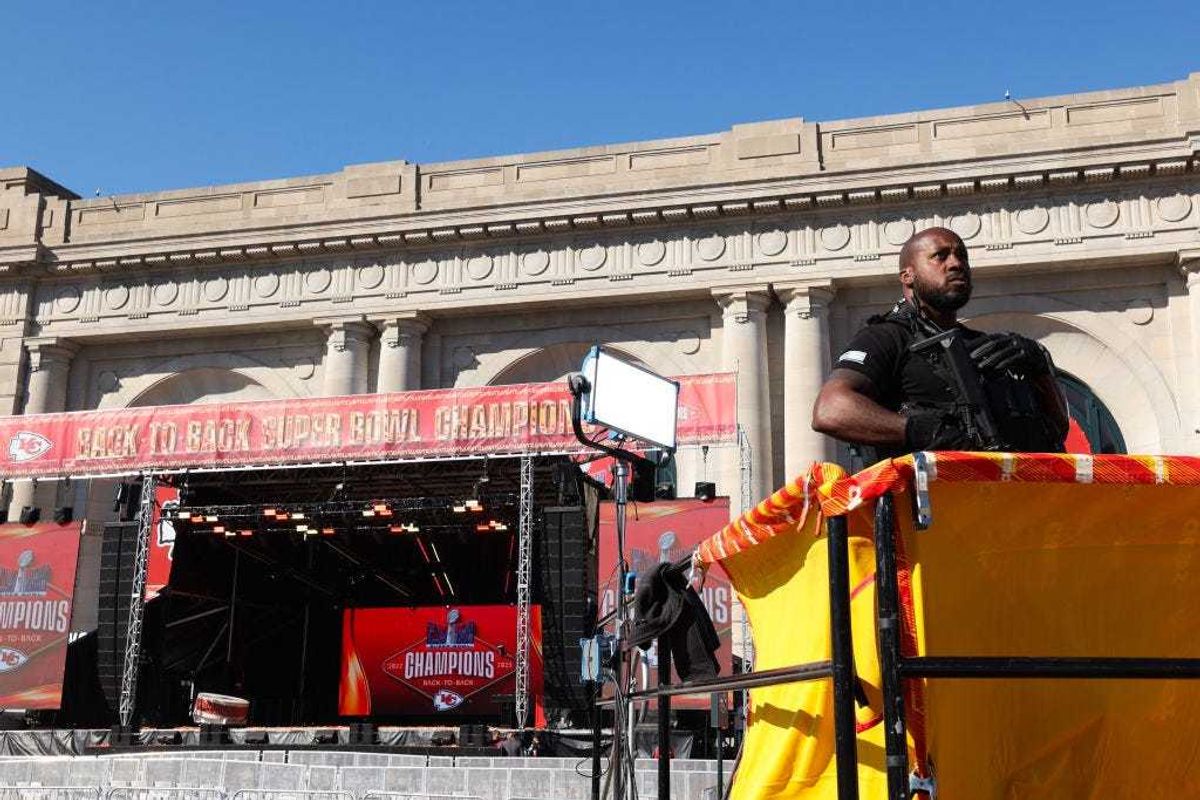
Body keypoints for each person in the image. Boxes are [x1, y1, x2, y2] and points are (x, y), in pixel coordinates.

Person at [812, 227, 1069, 459]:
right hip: (923, 502)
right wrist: (923, 431)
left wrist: (1039, 366)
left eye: (962, 256)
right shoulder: (887, 336)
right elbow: (831, 409)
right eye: (940, 256)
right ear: (907, 276)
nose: (956, 264)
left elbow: (1057, 430)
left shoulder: (985, 346)